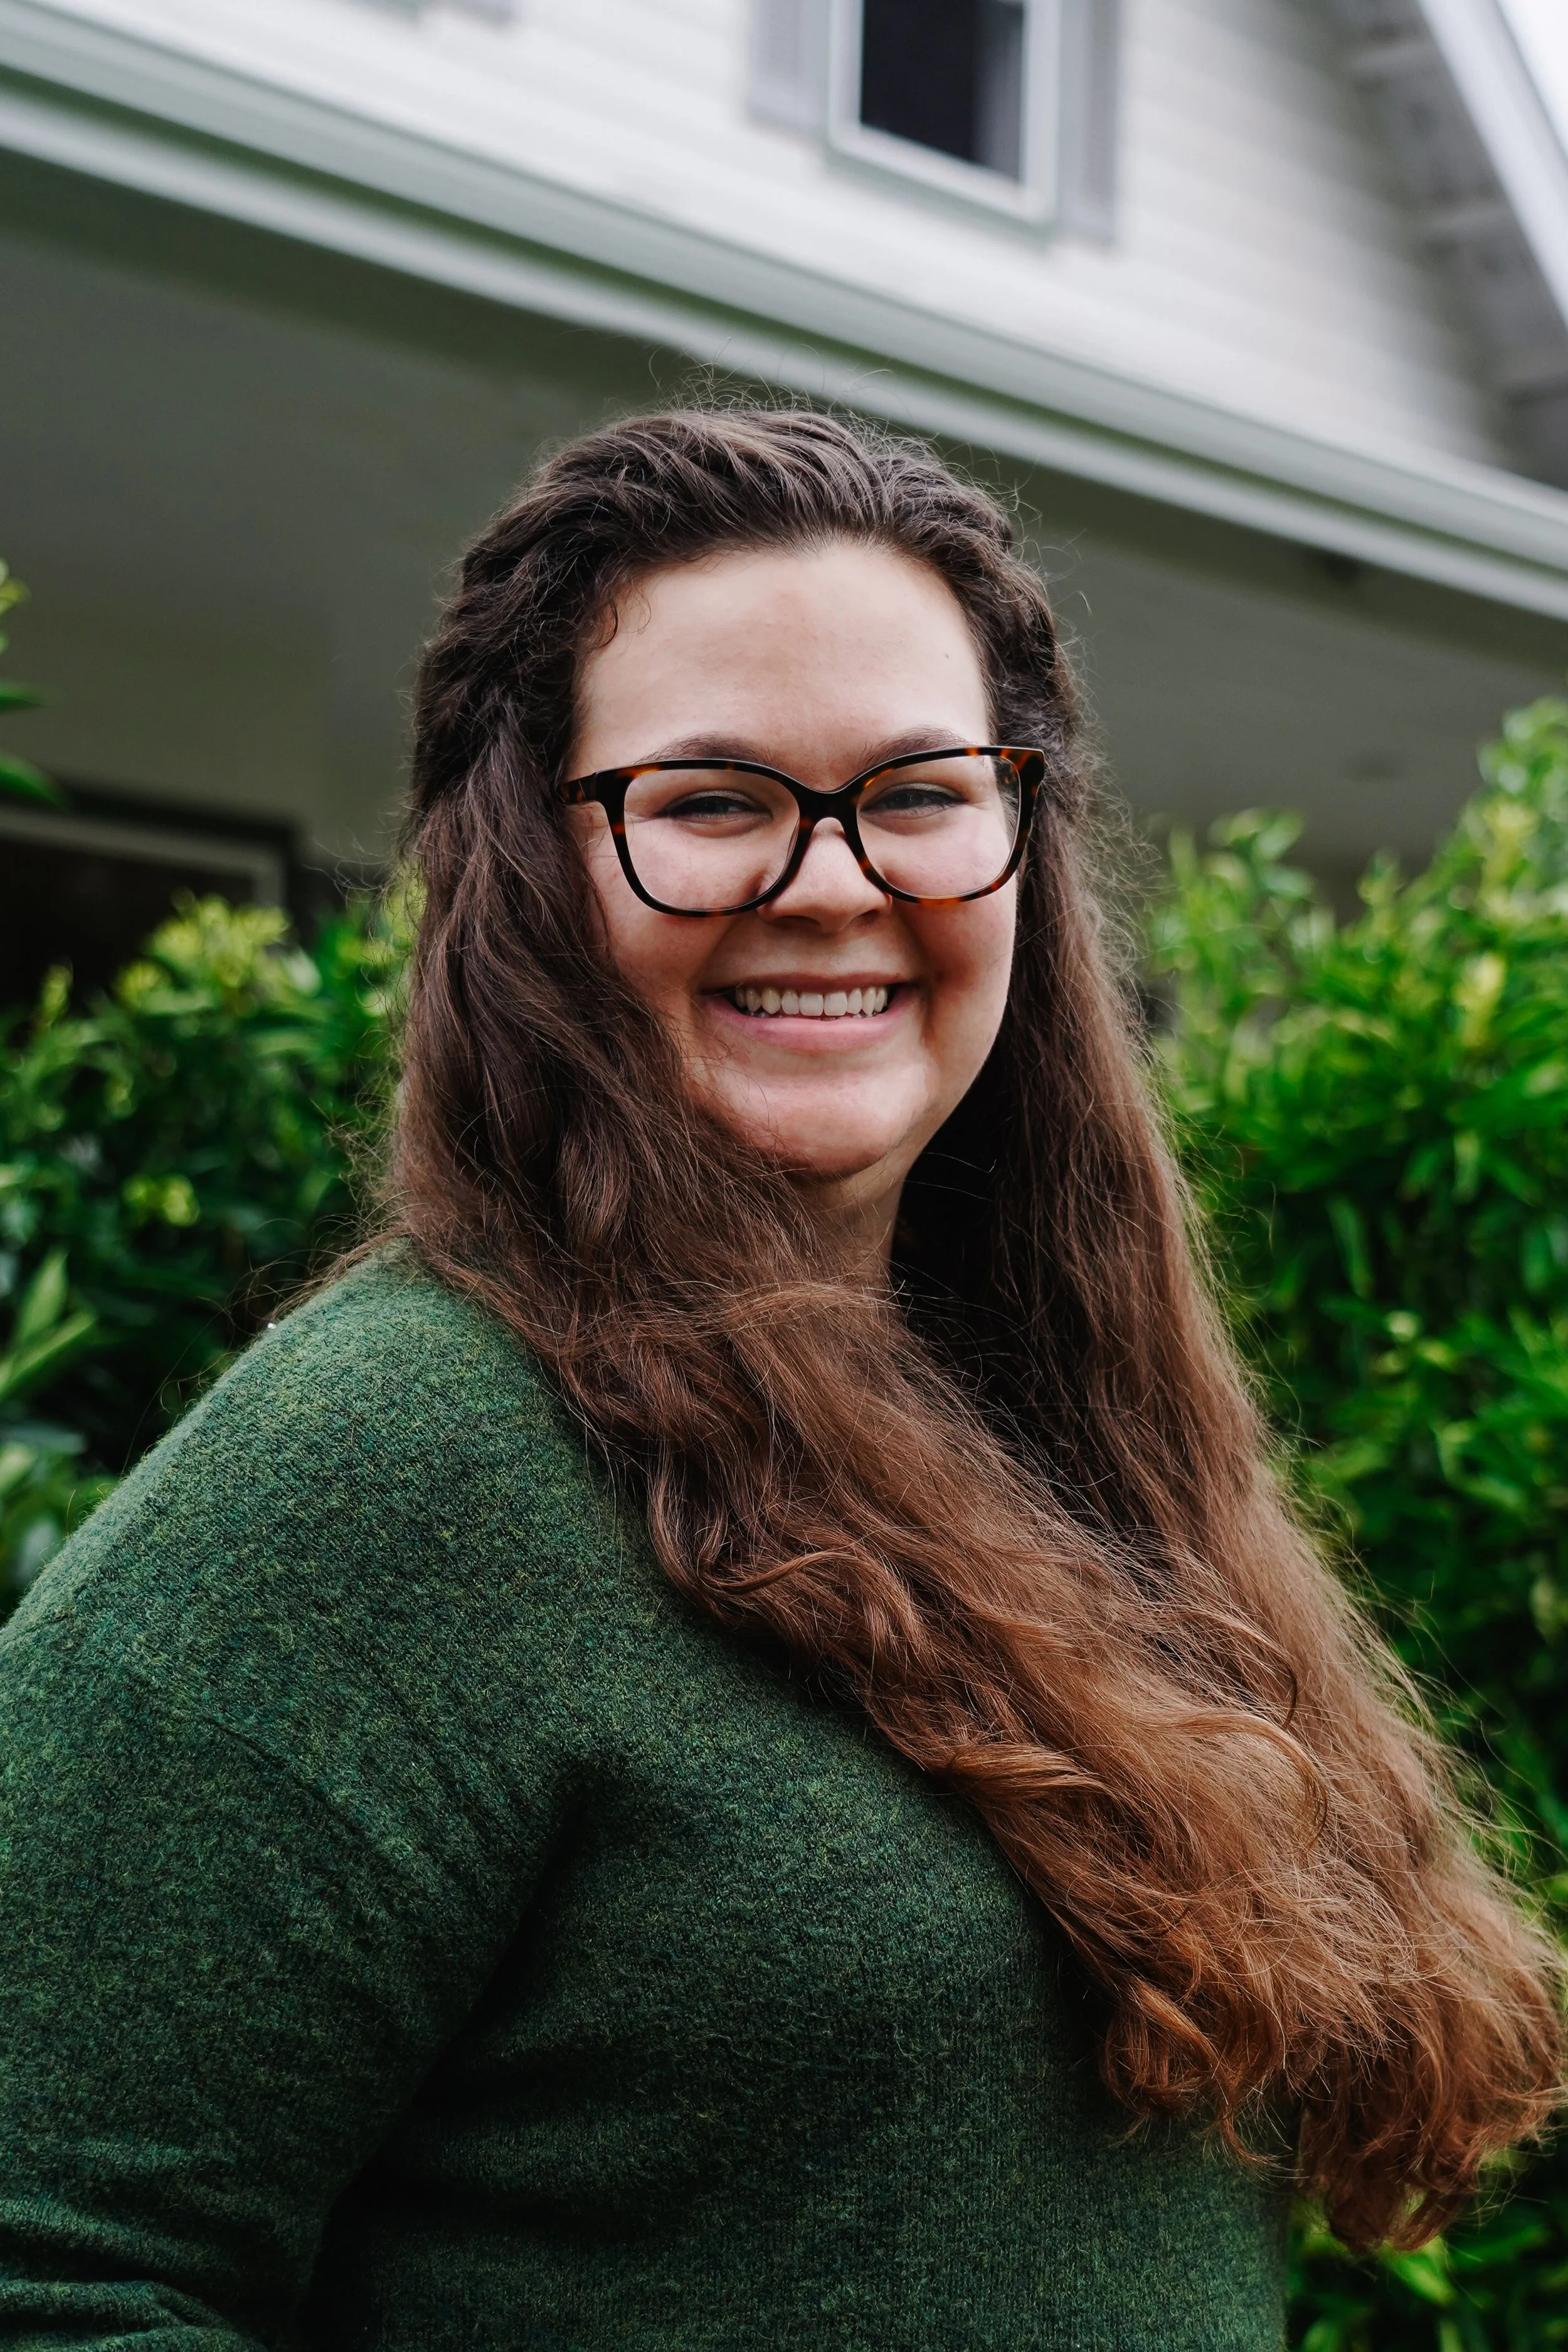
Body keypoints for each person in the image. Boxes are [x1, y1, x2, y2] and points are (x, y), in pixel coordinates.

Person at [0, 409, 1557, 2351]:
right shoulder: (398, 1454)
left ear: (1019, 842)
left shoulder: (1047, 1426)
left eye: (918, 791)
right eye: (713, 798)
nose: (831, 883)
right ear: (532, 869)